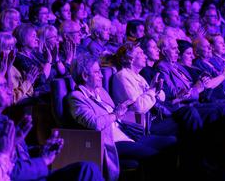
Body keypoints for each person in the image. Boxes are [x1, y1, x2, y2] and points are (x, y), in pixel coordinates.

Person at [0, 66, 103, 181]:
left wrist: (42, 151)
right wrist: (43, 161)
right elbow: (9, 171)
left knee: (86, 169)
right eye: (3, 86)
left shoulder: (2, 119)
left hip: (33, 174)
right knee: (87, 171)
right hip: (26, 177)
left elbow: (18, 157)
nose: (9, 89)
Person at [68, 53, 177, 181]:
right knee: (155, 156)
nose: (102, 75)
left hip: (128, 134)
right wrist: (115, 114)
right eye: (97, 72)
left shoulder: (100, 91)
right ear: (85, 76)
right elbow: (95, 124)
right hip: (113, 142)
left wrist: (124, 108)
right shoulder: (76, 98)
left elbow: (116, 113)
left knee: (172, 142)